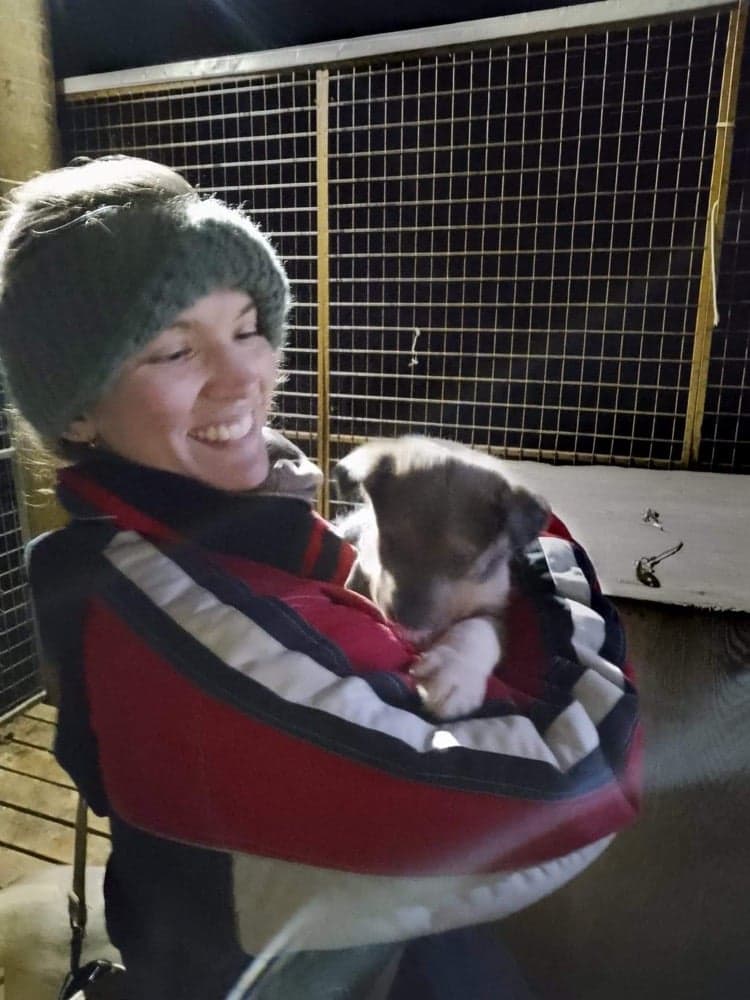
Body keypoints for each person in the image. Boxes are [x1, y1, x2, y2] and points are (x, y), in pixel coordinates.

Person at [0, 156, 641, 1000]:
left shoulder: (219, 534)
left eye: (247, 327)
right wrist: (524, 534)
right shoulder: (179, 616)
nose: (243, 379)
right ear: (77, 408)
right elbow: (565, 794)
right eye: (172, 349)